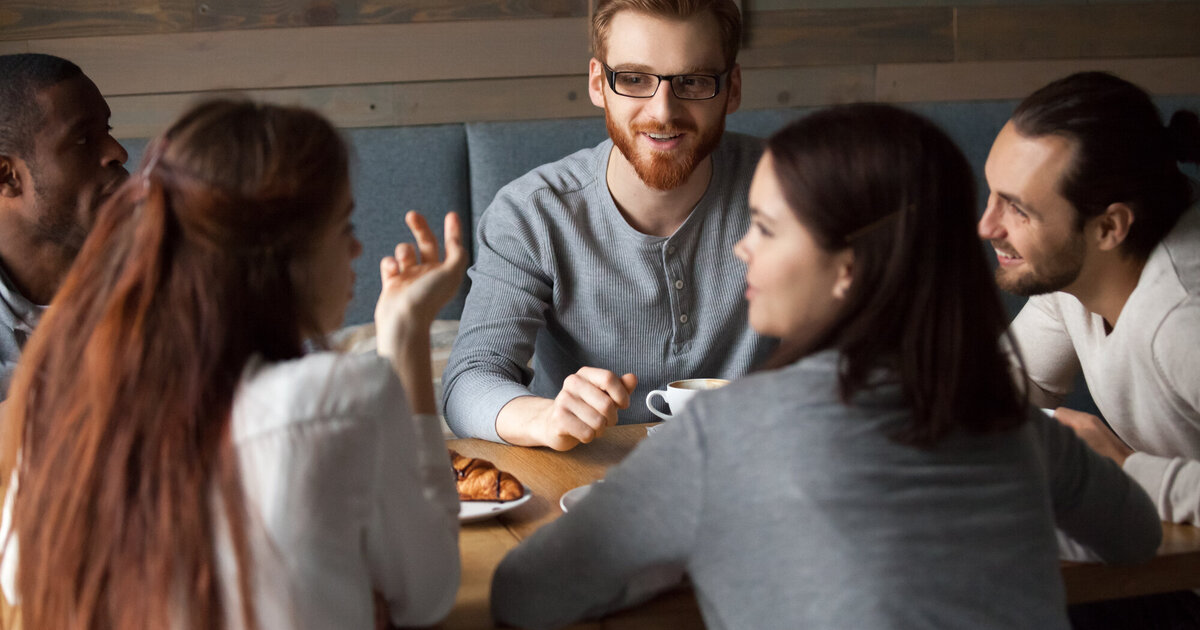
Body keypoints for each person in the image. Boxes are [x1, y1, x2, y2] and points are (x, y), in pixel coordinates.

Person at [489, 103, 1161, 630]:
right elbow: (1135, 537)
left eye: (767, 228)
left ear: (849, 268)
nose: (741, 249)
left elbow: (525, 595)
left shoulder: (724, 435)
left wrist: (686, 551)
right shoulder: (1006, 418)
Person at [0, 99, 467, 629]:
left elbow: (19, 575)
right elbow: (428, 594)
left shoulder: (56, 392)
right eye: (343, 226)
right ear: (279, 257)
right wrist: (405, 335)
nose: (358, 248)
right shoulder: (348, 394)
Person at [442, 0, 772, 450]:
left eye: (693, 81)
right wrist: (544, 418)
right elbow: (469, 382)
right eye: (635, 80)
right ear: (599, 83)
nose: (662, 112)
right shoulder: (532, 214)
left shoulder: (794, 187)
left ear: (731, 88)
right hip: (586, 488)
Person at [979, 71, 1200, 629]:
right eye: (992, 193)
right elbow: (997, 387)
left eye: (1017, 209)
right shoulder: (1078, 277)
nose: (987, 226)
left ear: (1110, 226)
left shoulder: (1185, 319)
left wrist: (1124, 470)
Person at [0, 53, 129, 398]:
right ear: (7, 176)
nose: (118, 152)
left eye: (108, 131)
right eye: (83, 139)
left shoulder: (174, 274)